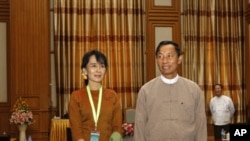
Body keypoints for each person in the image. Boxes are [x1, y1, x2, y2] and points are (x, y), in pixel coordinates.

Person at [134, 40, 207, 141]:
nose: (164, 61)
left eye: (169, 56)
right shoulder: (146, 91)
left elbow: (201, 125)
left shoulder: (193, 90)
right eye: (160, 56)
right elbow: (139, 126)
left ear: (179, 59)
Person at [68, 50, 123, 141]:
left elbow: (117, 127)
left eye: (102, 66)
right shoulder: (76, 96)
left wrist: (116, 135)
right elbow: (76, 130)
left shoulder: (112, 96)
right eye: (93, 66)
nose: (98, 70)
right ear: (84, 71)